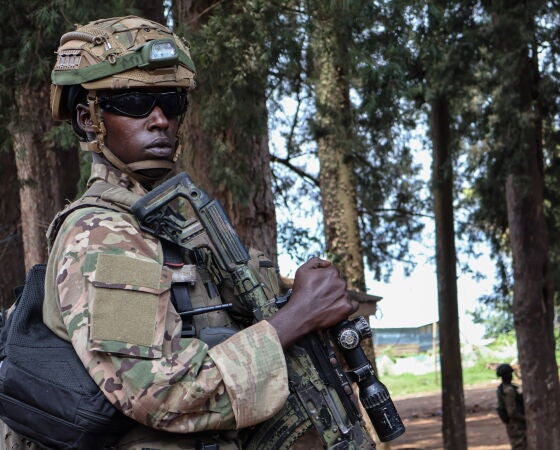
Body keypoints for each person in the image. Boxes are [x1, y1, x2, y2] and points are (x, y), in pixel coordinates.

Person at [1, 16, 358, 449]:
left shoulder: (166, 226)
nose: (159, 121)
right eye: (133, 101)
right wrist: (297, 317)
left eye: (170, 103)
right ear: (89, 117)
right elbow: (156, 392)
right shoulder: (104, 234)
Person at [495, 363, 527, 450]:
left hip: (513, 423)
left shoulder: (502, 389)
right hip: (516, 424)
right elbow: (512, 412)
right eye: (509, 374)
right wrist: (526, 419)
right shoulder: (509, 390)